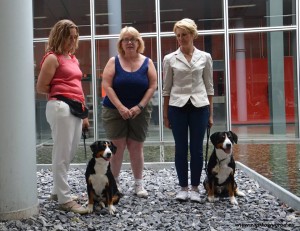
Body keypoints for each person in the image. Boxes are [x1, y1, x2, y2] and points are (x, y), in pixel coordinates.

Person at [36, 19, 89, 214]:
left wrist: (84, 114)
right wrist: (62, 91)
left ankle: (57, 190)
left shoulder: (72, 58)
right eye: (69, 36)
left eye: (75, 37)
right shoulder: (52, 58)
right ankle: (64, 199)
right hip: (60, 106)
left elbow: (78, 87)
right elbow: (41, 87)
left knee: (69, 151)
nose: (73, 40)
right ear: (60, 36)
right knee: (62, 152)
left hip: (74, 108)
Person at [101, 26, 157, 197]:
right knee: (116, 147)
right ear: (121, 43)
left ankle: (138, 185)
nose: (130, 42)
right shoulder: (113, 61)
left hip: (139, 111)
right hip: (114, 110)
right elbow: (107, 85)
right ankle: (114, 183)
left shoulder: (147, 62)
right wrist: (121, 107)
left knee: (136, 146)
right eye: (126, 39)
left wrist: (139, 107)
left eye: (133, 39)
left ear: (139, 42)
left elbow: (152, 86)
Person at [162, 18, 214, 202]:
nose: (181, 38)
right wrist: (165, 114)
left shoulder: (205, 57)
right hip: (177, 107)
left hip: (200, 107)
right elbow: (166, 88)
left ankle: (195, 188)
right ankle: (183, 187)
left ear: (192, 35)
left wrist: (211, 113)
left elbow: (209, 87)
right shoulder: (169, 59)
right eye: (178, 35)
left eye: (184, 34)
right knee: (181, 149)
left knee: (197, 149)